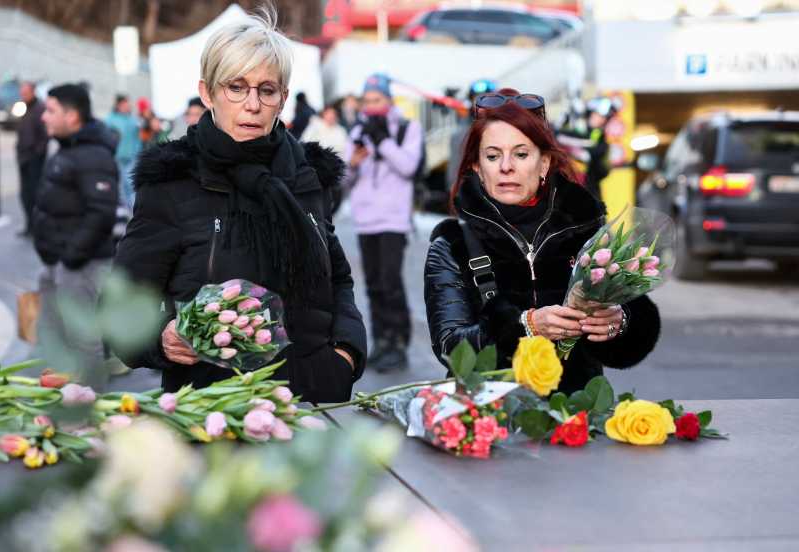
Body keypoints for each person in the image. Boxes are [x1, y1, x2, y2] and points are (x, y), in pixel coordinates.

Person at [112, 8, 366, 402]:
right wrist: (162, 338)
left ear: (283, 98)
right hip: (212, 410)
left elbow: (338, 279)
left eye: (267, 90)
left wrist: (346, 353)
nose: (252, 104)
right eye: (236, 87)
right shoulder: (173, 183)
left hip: (305, 404)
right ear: (207, 93)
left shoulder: (307, 178)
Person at [424, 90, 660, 394]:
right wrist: (526, 325)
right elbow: (450, 345)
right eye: (493, 156)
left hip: (577, 410)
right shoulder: (452, 242)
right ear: (477, 167)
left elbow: (635, 324)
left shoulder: (586, 229)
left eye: (521, 154)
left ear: (544, 163)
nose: (506, 166)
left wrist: (619, 322)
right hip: (487, 413)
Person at [34, 83, 119, 386]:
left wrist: (72, 258)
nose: (44, 116)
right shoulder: (68, 148)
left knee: (84, 340)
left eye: (51, 110)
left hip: (80, 265)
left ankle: (91, 401)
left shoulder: (93, 155)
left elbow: (102, 212)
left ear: (72, 116)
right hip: (58, 261)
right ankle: (65, 392)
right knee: (55, 333)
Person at [343, 73, 422, 372]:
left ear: (389, 101)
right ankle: (380, 341)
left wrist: (383, 142)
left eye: (377, 100)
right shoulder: (357, 130)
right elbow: (344, 179)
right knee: (374, 285)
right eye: (367, 101)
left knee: (391, 283)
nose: (371, 106)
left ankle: (398, 342)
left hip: (393, 220)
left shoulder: (407, 128)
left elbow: (408, 167)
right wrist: (354, 163)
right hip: (365, 220)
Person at [556, 96, 617, 201]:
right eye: (597, 115)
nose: (601, 120)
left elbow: (598, 165)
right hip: (563, 186)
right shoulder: (572, 129)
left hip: (587, 189)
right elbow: (556, 135)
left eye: (604, 118)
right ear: (589, 113)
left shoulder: (601, 142)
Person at [446, 79, 496, 192]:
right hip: (474, 194)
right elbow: (455, 170)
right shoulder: (461, 134)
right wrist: (455, 191)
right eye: (477, 98)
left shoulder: (508, 128)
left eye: (487, 98)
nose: (482, 102)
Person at [15, 81, 48, 237]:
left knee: (35, 194)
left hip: (34, 159)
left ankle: (38, 227)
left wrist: (37, 153)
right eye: (22, 92)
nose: (23, 95)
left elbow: (45, 135)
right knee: (25, 194)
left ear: (33, 92)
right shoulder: (24, 108)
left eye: (25, 92)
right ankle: (29, 225)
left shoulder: (40, 108)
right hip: (23, 158)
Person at [105, 94, 141, 208]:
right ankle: (125, 210)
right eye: (125, 103)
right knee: (119, 186)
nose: (127, 106)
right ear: (118, 105)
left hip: (131, 158)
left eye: (128, 103)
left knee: (130, 184)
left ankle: (134, 209)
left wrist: (137, 152)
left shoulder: (132, 120)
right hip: (116, 158)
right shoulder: (110, 119)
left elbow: (137, 138)